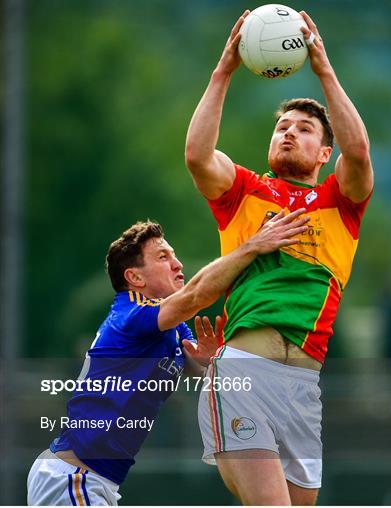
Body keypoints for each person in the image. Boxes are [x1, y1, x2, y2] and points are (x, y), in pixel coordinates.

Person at [185, 9, 374, 505]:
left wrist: (324, 70)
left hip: (303, 383)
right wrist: (222, 72)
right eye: (282, 126)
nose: (289, 132)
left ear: (322, 155)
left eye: (306, 129)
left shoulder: (340, 203)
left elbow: (359, 154)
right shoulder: (245, 192)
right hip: (246, 368)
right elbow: (198, 156)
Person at [27, 214, 310, 506]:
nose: (177, 264)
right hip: (73, 479)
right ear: (135, 277)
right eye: (163, 257)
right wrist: (252, 246)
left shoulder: (171, 329)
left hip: (94, 482)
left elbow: (207, 374)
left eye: (174, 255)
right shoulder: (132, 314)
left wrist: (213, 363)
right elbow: (196, 295)